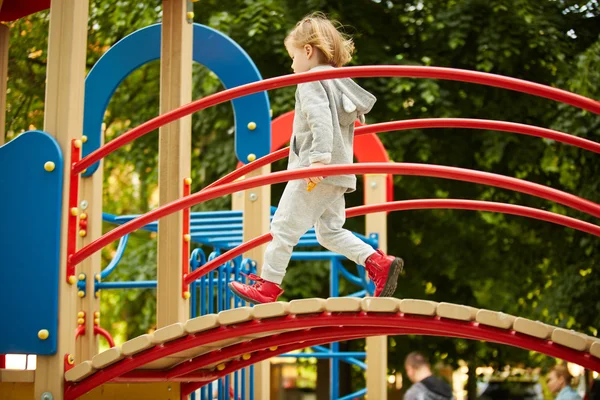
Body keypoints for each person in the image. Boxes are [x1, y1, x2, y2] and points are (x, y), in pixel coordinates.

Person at [229, 12, 404, 304]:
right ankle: (378, 263)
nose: (292, 64)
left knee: (283, 225)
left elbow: (319, 118)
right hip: (338, 173)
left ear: (308, 51)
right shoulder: (338, 82)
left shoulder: (311, 80)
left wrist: (319, 160)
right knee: (329, 232)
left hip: (315, 170)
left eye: (293, 56)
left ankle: (268, 286)